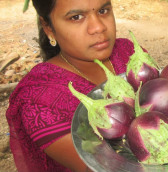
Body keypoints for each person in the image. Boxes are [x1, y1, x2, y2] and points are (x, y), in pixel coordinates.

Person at [6, 0, 137, 171]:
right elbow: (103, 167)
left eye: (103, 10)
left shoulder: (129, 52)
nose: (98, 27)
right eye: (76, 17)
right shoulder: (37, 100)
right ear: (48, 28)